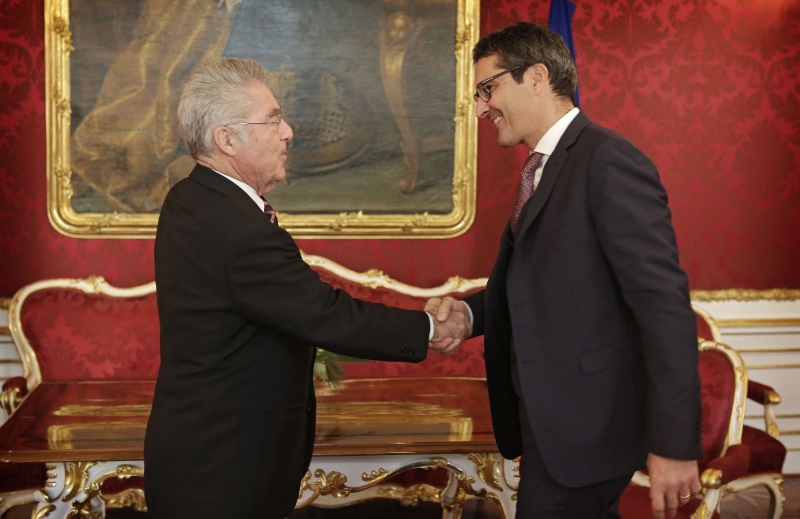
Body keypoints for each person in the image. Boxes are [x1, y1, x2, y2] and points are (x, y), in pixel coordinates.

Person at [144, 57, 470, 519]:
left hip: (208, 454)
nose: (288, 132)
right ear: (227, 139)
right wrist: (431, 328)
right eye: (273, 120)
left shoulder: (192, 197)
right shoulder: (237, 228)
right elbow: (326, 315)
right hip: (223, 472)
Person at [428, 22, 702, 519]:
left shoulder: (607, 160)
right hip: (553, 425)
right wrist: (469, 316)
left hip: (588, 428)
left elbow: (663, 308)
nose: (482, 107)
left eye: (487, 88)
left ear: (536, 77)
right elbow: (540, 284)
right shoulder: (543, 167)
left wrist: (675, 445)